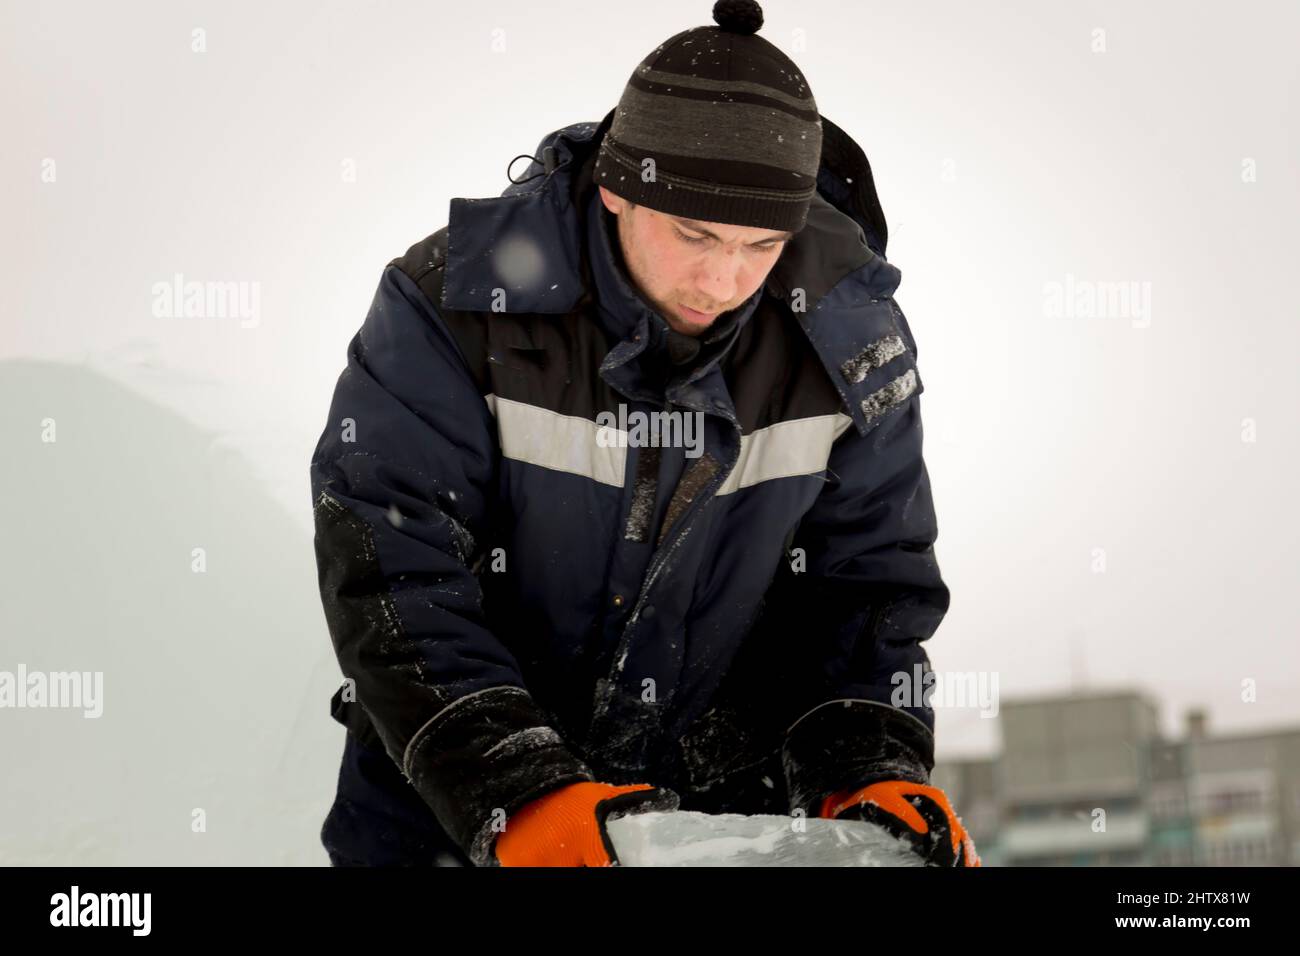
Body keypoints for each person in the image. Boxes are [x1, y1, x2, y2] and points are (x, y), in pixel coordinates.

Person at [310, 0, 978, 868]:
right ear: (620, 189)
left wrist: (869, 761)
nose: (724, 277)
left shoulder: (849, 344)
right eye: (694, 234)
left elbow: (866, 585)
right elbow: (393, 566)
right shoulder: (455, 308)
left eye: (761, 245)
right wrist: (520, 791)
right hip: (453, 818)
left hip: (719, 830)